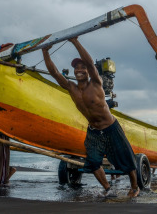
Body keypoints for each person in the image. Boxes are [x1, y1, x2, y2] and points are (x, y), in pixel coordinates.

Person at [43, 37, 140, 197]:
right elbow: (53, 72)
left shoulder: (96, 83)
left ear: (89, 71)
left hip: (111, 128)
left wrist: (75, 42)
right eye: (76, 68)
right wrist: (45, 51)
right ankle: (108, 189)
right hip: (94, 132)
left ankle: (134, 187)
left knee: (126, 159)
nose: (79, 70)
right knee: (93, 162)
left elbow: (89, 62)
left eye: (83, 67)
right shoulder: (71, 87)